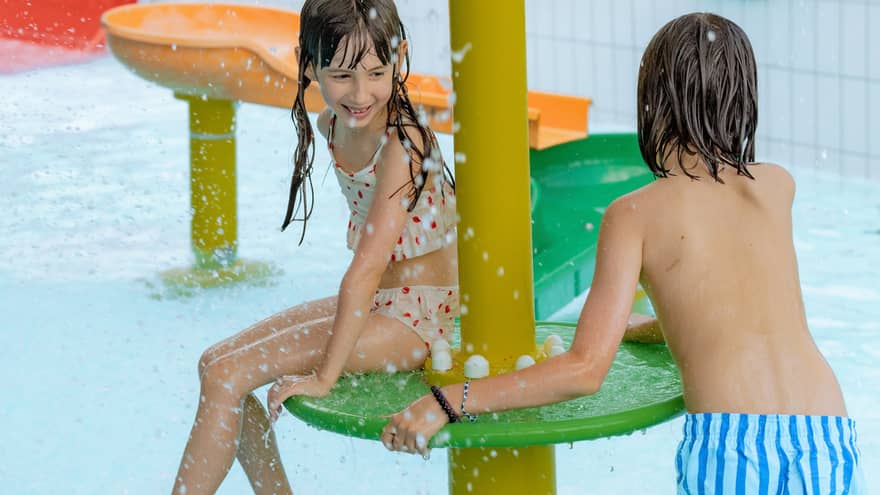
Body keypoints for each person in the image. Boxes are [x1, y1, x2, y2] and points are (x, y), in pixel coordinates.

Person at [383, 13, 864, 494]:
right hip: (826, 433)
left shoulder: (634, 214)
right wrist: (652, 330)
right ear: (743, 99)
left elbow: (584, 371)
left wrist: (449, 401)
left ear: (652, 102)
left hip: (732, 443)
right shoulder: (778, 186)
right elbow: (735, 309)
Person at [170, 1, 459, 494]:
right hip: (385, 306)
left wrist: (325, 376)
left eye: (376, 72)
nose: (361, 92)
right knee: (216, 366)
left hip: (421, 320)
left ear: (400, 58)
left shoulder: (402, 144)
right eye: (343, 74)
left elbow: (365, 271)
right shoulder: (332, 124)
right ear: (309, 63)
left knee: (228, 376)